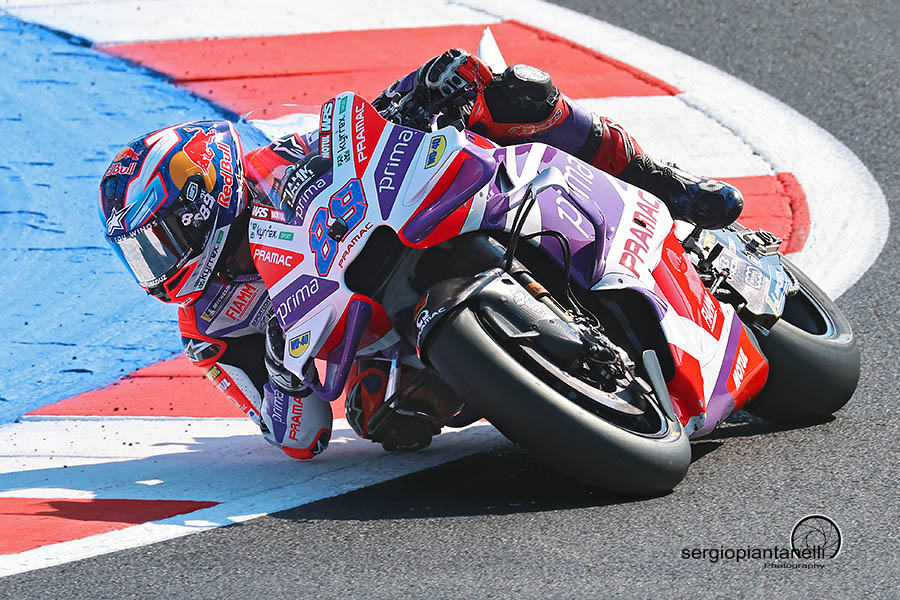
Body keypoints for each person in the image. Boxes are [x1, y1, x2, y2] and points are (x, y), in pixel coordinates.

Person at [98, 49, 744, 460]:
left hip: (417, 224)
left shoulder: (281, 158)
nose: (158, 267)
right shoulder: (210, 327)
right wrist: (279, 362)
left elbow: (365, 130)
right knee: (377, 413)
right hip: (384, 335)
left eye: (159, 242)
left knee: (510, 93)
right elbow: (298, 434)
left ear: (199, 198)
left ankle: (663, 183)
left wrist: (428, 89)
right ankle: (546, 393)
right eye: (143, 254)